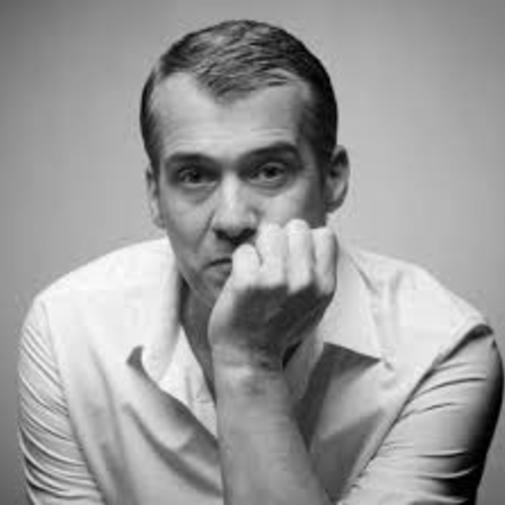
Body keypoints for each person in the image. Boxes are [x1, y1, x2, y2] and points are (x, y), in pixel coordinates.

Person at [18, 19, 502, 505]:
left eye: (269, 171)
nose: (232, 219)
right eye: (194, 176)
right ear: (154, 196)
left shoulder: (441, 352)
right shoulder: (67, 332)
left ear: (333, 179)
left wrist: (247, 363)